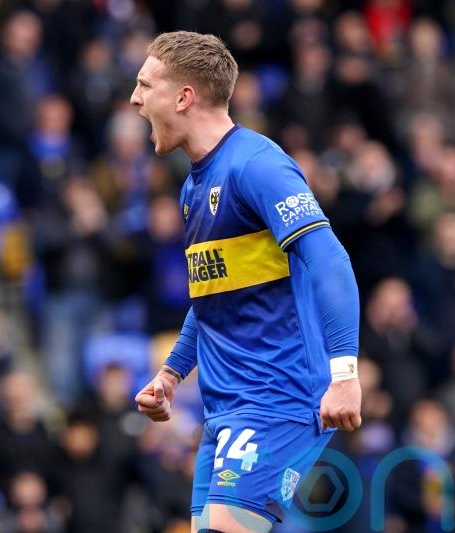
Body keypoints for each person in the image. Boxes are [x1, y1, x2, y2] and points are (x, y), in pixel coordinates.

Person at [130, 32, 362, 533]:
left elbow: (330, 260)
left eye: (145, 85)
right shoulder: (193, 187)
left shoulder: (258, 166)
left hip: (278, 396)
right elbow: (214, 296)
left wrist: (345, 372)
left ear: (183, 96)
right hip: (224, 407)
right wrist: (172, 374)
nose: (135, 99)